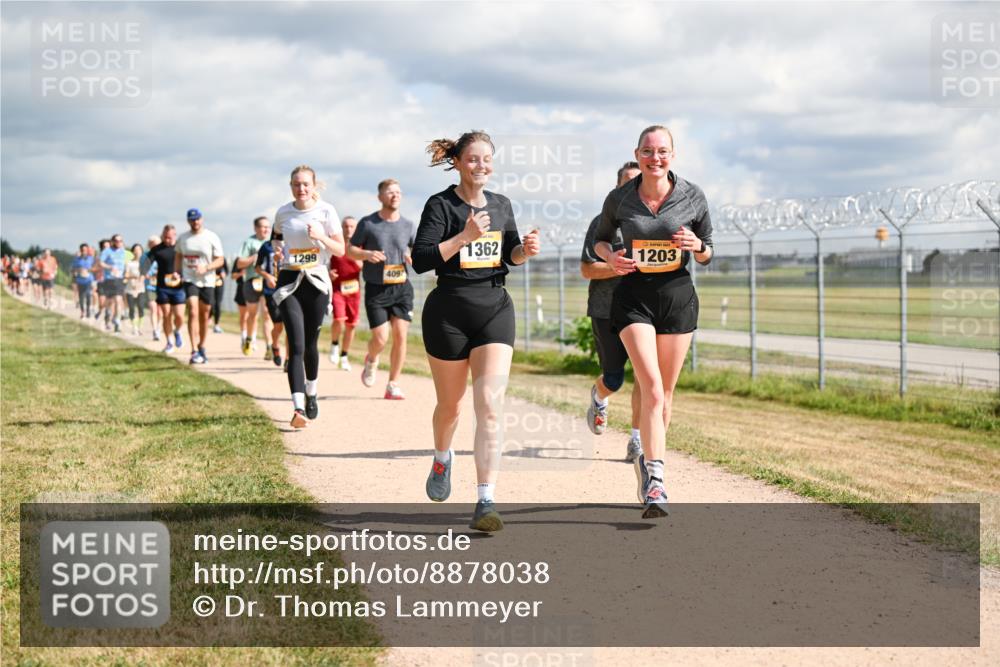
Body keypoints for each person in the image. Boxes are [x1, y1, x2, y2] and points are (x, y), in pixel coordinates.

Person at [412, 131, 540, 532]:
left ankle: (485, 499)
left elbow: (511, 255)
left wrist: (526, 251)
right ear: (458, 162)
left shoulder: (501, 205)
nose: (481, 165)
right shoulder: (441, 205)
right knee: (450, 407)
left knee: (489, 403)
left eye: (487, 159)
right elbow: (421, 260)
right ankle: (442, 456)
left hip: (494, 307)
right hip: (448, 311)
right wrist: (464, 237)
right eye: (473, 159)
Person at [593, 125, 713, 519]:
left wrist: (698, 247)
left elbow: (708, 250)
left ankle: (649, 462)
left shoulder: (692, 195)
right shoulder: (621, 198)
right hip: (633, 299)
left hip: (677, 298)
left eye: (662, 151)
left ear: (672, 155)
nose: (654, 157)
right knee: (652, 389)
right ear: (638, 153)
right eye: (648, 151)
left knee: (667, 394)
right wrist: (611, 258)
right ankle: (656, 478)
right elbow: (600, 239)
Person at [271, 165, 345, 427]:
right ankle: (298, 408)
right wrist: (277, 252)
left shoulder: (326, 211)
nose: (301, 189)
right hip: (290, 280)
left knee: (311, 345)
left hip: (316, 282)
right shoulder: (283, 213)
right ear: (290, 186)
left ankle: (312, 392)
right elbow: (276, 240)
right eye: (295, 184)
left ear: (314, 186)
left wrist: (321, 236)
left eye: (305, 184)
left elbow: (340, 249)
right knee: (297, 344)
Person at [581, 161, 644, 462]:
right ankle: (599, 397)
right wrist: (616, 267)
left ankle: (637, 440)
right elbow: (586, 269)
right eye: (627, 183)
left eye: (638, 182)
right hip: (606, 310)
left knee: (646, 378)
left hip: (644, 310)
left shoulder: (653, 223)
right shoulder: (602, 223)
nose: (633, 188)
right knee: (615, 379)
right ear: (616, 188)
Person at [348, 180, 416, 399]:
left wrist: (412, 257)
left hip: (402, 287)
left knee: (401, 335)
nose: (395, 196)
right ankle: (371, 358)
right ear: (380, 197)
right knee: (380, 338)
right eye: (390, 192)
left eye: (398, 192)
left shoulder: (408, 225)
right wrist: (367, 255)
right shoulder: (368, 223)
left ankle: (393, 384)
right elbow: (350, 250)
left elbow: (418, 249)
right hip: (376, 288)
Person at [175, 208, 225, 365]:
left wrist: (207, 268)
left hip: (207, 280)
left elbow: (220, 260)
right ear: (188, 221)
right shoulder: (183, 238)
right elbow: (178, 255)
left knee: (204, 314)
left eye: (197, 219)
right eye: (192, 220)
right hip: (190, 279)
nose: (195, 222)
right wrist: (177, 272)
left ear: (201, 219)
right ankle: (194, 349)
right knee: (193, 310)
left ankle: (202, 346)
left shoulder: (211, 237)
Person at [328, 216, 363, 371]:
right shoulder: (335, 245)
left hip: (354, 290)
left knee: (351, 325)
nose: (348, 229)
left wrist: (354, 254)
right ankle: (334, 344)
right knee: (339, 319)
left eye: (352, 226)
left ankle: (344, 355)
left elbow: (363, 265)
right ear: (341, 228)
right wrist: (329, 273)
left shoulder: (360, 245)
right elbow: (325, 262)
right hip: (338, 288)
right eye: (346, 226)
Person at [234, 216, 273, 356]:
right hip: (252, 281)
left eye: (268, 227)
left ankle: (269, 346)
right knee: (253, 315)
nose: (266, 229)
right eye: (263, 226)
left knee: (267, 314)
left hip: (268, 282)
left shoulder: (272, 243)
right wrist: (254, 257)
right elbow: (239, 263)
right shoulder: (249, 242)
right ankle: (249, 339)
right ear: (256, 228)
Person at [149, 225, 185, 353]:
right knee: (166, 315)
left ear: (175, 235)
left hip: (179, 287)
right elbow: (147, 262)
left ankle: (177, 331)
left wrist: (181, 274)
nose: (167, 239)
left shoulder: (181, 248)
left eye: (169, 237)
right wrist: (145, 273)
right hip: (162, 287)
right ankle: (169, 342)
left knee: (180, 316)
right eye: (164, 237)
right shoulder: (157, 250)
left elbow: (187, 264)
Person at [255, 233, 286, 368]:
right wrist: (267, 276)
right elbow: (257, 267)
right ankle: (275, 346)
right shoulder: (266, 247)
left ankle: (289, 360)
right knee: (278, 325)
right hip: (271, 291)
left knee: (291, 327)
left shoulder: (291, 244)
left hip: (289, 289)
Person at [99, 235, 128, 333]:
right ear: (112, 241)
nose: (118, 242)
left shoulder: (124, 252)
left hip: (119, 279)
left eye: (120, 241)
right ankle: (108, 315)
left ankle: (117, 321)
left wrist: (126, 273)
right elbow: (100, 263)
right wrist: (109, 267)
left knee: (118, 299)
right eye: (116, 241)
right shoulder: (107, 251)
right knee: (110, 301)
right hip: (109, 279)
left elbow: (127, 263)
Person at [124, 243, 147, 335]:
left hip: (140, 288)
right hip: (130, 288)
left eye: (139, 250)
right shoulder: (129, 263)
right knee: (132, 308)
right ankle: (134, 327)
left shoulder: (144, 263)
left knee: (141, 307)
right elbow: (126, 275)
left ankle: (139, 327)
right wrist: (133, 276)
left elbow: (144, 275)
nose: (138, 252)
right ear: (133, 251)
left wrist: (140, 281)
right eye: (136, 250)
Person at [142, 235, 162, 341]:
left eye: (156, 244)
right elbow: (142, 269)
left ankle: (158, 327)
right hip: (150, 286)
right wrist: (145, 274)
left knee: (160, 311)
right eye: (152, 244)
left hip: (162, 285)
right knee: (153, 308)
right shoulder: (145, 256)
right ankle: (155, 330)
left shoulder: (162, 254)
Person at [72, 244, 95, 318]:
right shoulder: (77, 259)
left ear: (87, 250)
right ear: (80, 250)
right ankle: (82, 311)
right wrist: (78, 270)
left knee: (88, 296)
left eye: (85, 250)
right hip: (80, 280)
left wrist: (89, 270)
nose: (84, 251)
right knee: (81, 296)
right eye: (82, 250)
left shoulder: (91, 258)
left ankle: (88, 310)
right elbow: (72, 269)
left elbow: (95, 268)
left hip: (89, 280)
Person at [211, 263, 228, 335]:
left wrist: (224, 273)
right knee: (210, 303)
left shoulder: (222, 258)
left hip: (219, 283)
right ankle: (206, 320)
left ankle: (216, 325)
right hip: (209, 281)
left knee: (218, 304)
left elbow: (226, 270)